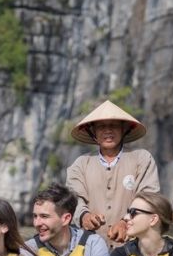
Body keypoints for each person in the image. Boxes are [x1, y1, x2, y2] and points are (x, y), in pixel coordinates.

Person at [66, 99, 160, 245]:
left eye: (114, 126)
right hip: (89, 247)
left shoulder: (142, 159)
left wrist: (125, 222)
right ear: (93, 132)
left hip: (134, 246)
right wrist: (85, 216)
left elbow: (149, 198)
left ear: (124, 130)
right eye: (101, 126)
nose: (108, 131)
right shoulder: (81, 164)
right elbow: (74, 198)